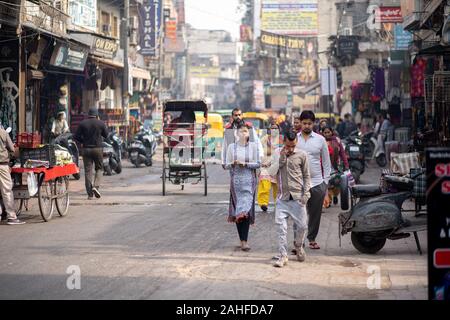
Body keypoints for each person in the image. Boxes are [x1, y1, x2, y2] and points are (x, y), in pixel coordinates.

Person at [269, 130, 311, 267]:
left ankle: (298, 246)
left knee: (303, 226)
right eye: (288, 146)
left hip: (298, 198)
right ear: (283, 142)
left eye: (293, 146)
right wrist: (281, 159)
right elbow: (271, 172)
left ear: (296, 143)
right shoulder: (277, 153)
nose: (290, 149)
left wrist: (306, 193)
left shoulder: (302, 155)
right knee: (281, 228)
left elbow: (306, 176)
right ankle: (283, 255)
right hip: (282, 198)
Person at [296, 111, 331, 250]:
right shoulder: (295, 139)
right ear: (300, 123)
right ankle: (299, 240)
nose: (306, 126)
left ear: (314, 124)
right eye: (304, 123)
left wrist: (325, 183)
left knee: (315, 214)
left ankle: (312, 239)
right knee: (299, 213)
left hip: (317, 183)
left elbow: (327, 163)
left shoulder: (320, 139)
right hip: (298, 183)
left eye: (309, 123)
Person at [224, 124, 261, 251]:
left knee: (245, 211)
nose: (243, 133)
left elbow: (258, 164)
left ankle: (245, 241)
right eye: (241, 131)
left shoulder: (253, 147)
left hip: (249, 182)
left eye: (246, 131)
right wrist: (232, 164)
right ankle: (242, 240)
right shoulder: (231, 147)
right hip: (236, 183)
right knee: (238, 211)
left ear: (249, 133)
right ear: (236, 133)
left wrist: (245, 164)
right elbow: (225, 165)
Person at [74, 107, 109, 200]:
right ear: (97, 115)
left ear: (88, 114)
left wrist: (83, 141)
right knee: (99, 169)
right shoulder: (101, 123)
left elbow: (75, 136)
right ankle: (96, 186)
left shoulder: (82, 123)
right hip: (98, 148)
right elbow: (106, 135)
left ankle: (90, 194)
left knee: (88, 171)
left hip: (86, 149)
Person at [0, 125, 24, 225]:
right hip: (2, 165)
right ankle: (11, 217)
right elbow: (12, 149)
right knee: (6, 191)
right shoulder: (3, 132)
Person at [321, 126, 349, 208]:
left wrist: (346, 164)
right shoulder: (320, 141)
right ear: (322, 133)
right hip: (324, 166)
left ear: (331, 132)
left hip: (335, 165)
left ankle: (335, 195)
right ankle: (328, 201)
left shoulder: (337, 140)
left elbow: (342, 153)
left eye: (328, 132)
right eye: (325, 133)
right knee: (327, 183)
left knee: (337, 182)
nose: (327, 134)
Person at [256, 124, 280, 212]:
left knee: (277, 187)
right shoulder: (264, 139)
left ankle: (278, 203)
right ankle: (263, 203)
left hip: (277, 166)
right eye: (272, 128)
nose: (274, 130)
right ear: (269, 129)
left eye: (276, 128)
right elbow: (258, 149)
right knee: (264, 185)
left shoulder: (281, 139)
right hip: (265, 166)